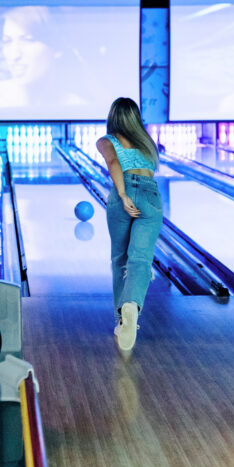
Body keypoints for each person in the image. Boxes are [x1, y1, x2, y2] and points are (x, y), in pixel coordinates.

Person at [95, 98, 161, 351]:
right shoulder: (146, 143)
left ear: (112, 116)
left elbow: (114, 164)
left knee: (120, 258)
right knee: (141, 259)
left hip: (123, 195)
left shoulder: (106, 141)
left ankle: (122, 318)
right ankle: (132, 304)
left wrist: (123, 195)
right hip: (150, 195)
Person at [0, 6, 83, 111]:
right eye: (7, 41)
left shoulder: (77, 106)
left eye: (27, 40)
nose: (14, 55)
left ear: (57, 47)